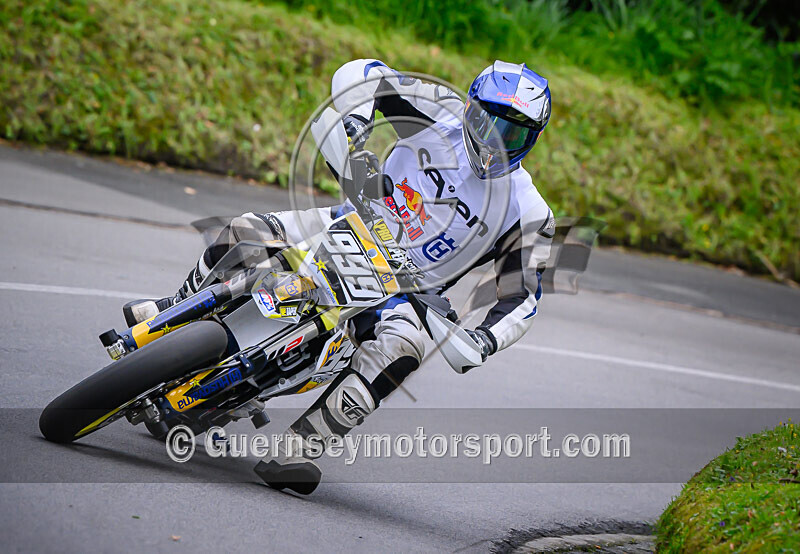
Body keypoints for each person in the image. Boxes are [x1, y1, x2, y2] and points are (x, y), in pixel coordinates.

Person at [123, 59, 554, 494]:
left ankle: (301, 447)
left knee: (403, 347)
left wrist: (484, 338)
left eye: (512, 132)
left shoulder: (530, 210)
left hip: (406, 290)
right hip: (345, 224)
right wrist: (355, 125)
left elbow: (523, 296)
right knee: (244, 230)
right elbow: (362, 74)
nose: (495, 140)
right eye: (486, 121)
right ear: (470, 108)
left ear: (531, 140)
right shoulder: (438, 107)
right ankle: (172, 308)